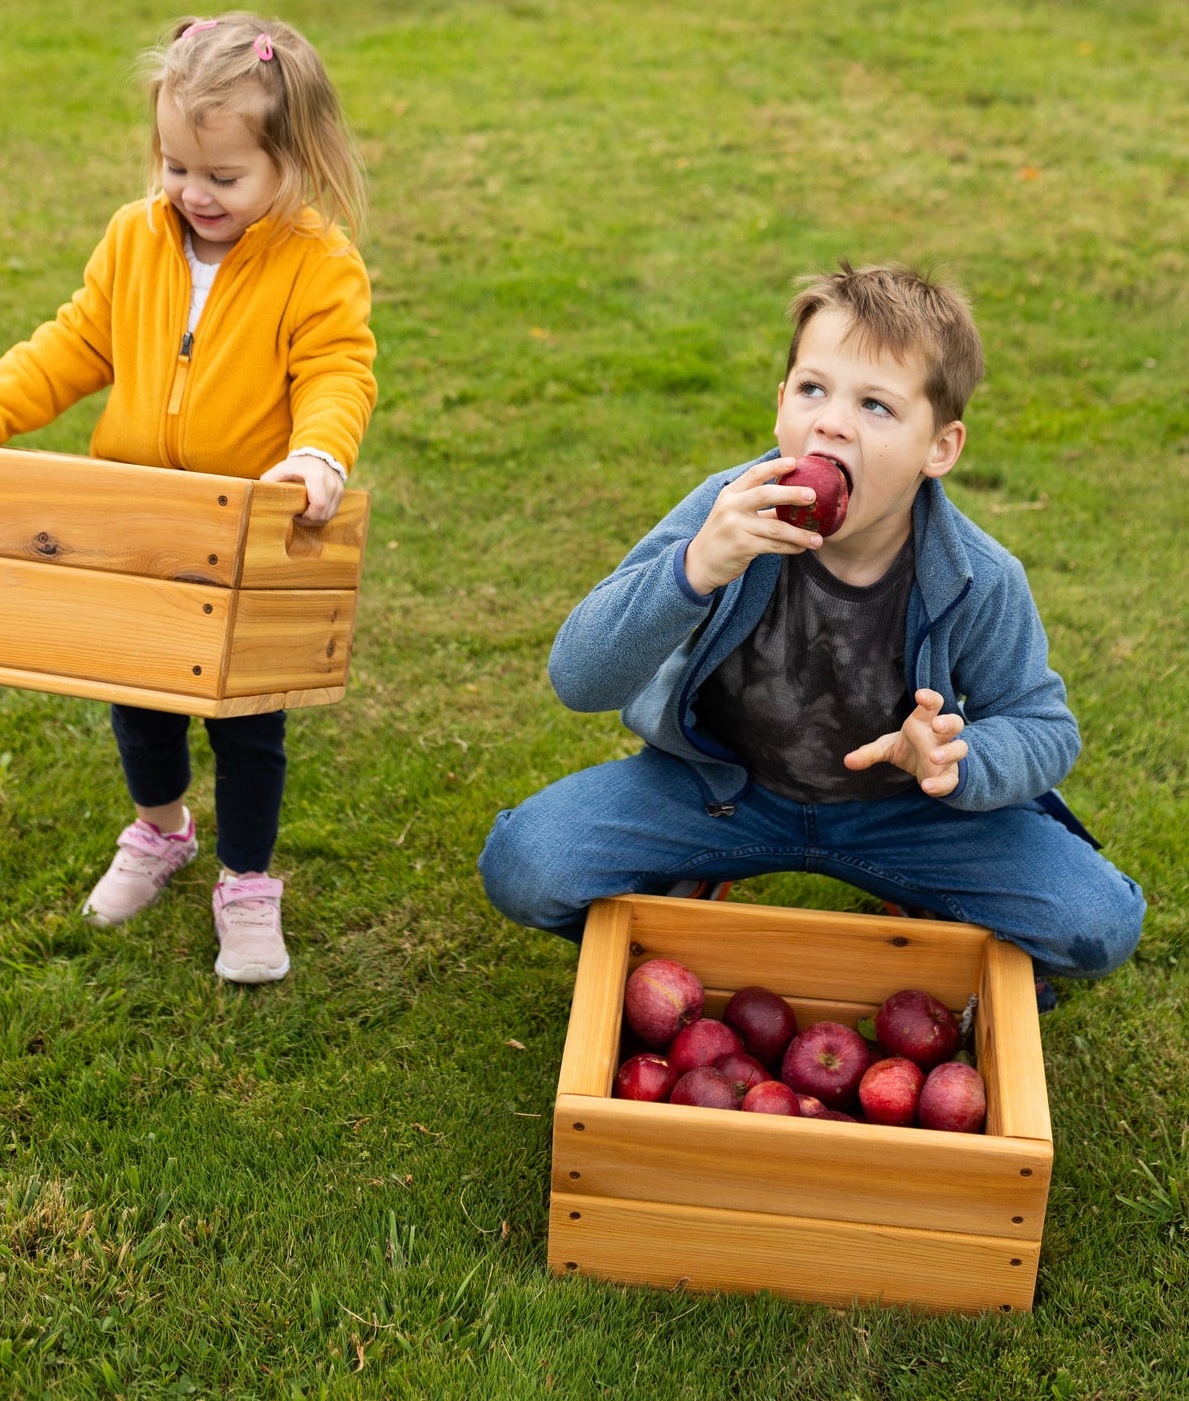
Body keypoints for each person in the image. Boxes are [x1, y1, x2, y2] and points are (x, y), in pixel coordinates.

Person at [480, 262, 1144, 984]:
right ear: (778, 406)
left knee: (1096, 920)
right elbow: (577, 678)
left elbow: (1044, 724)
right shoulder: (726, 513)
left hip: (903, 815)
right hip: (726, 793)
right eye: (812, 389)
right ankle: (682, 897)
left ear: (940, 449)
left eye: (876, 406)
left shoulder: (977, 574)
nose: (830, 420)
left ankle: (930, 916)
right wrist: (694, 569)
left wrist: (956, 761)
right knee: (527, 863)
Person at [0, 12, 377, 985]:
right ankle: (161, 829)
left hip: (251, 531)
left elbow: (337, 372)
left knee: (246, 720)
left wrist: (315, 459)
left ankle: (249, 881)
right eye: (178, 166)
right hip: (137, 524)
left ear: (292, 162)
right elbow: (76, 340)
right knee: (137, 699)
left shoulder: (317, 264)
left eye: (224, 177)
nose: (194, 193)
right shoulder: (137, 239)